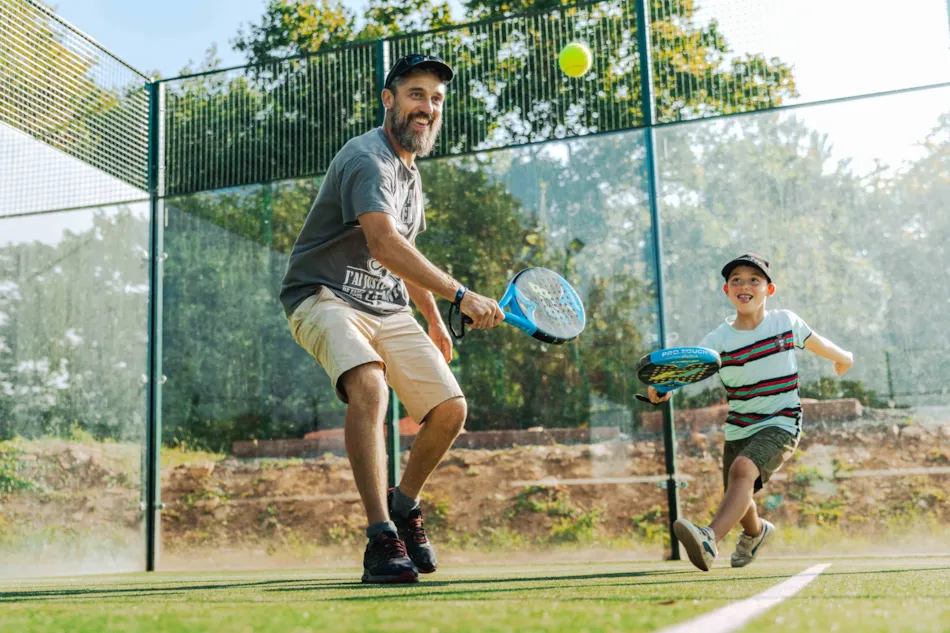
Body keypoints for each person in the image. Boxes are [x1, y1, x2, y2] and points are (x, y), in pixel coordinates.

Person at [280, 54, 505, 584]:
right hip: (323, 297)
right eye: (416, 95)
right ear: (390, 99)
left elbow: (400, 257)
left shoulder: (411, 175)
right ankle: (381, 537)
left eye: (436, 100)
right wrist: (462, 294)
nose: (427, 107)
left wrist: (434, 316)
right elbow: (381, 240)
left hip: (388, 307)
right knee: (370, 385)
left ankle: (404, 504)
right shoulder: (367, 159)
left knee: (450, 410)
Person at [647, 253, 854, 571]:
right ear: (726, 291)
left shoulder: (785, 322)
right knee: (739, 489)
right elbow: (691, 370)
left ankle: (709, 539)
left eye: (754, 280)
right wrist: (664, 387)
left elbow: (818, 343)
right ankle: (756, 533)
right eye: (736, 280)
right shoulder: (718, 340)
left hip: (782, 421)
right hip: (739, 426)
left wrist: (843, 357)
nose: (745, 285)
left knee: (742, 471)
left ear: (769, 290)